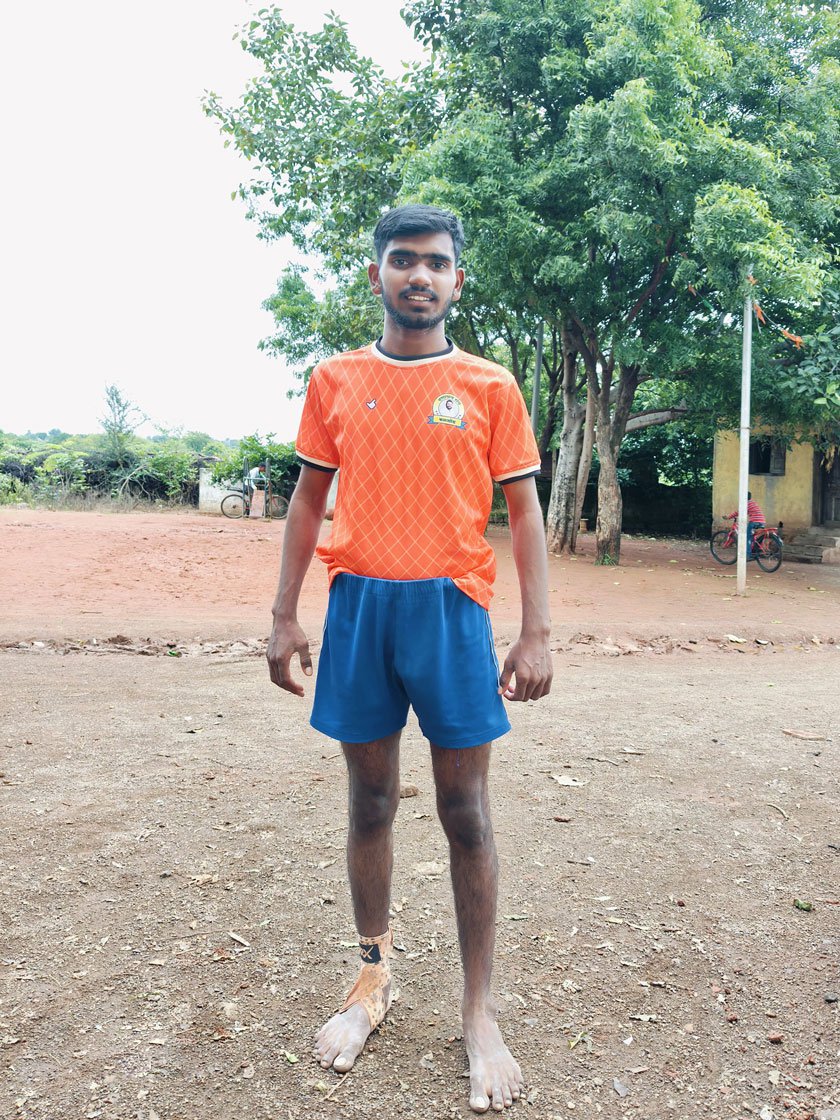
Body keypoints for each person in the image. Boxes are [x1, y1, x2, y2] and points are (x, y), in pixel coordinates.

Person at [266, 204, 552, 1114]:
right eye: (401, 260)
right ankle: (372, 978)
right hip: (358, 611)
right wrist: (284, 615)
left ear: (457, 280)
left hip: (453, 612)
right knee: (371, 801)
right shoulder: (336, 379)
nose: (418, 275)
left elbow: (525, 513)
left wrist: (537, 630)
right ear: (377, 274)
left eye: (435, 263)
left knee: (466, 811)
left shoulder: (490, 386)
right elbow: (308, 504)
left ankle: (479, 1012)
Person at [727, 491, 765, 555]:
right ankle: (756, 549)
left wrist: (729, 517)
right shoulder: (753, 503)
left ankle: (748, 555)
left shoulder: (746, 504)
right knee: (752, 536)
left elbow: (738, 512)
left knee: (747, 537)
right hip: (762, 521)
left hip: (754, 522)